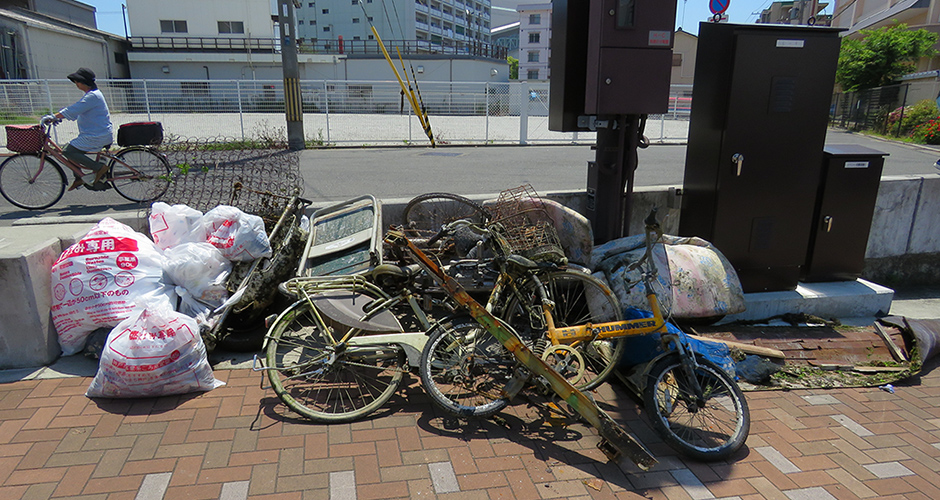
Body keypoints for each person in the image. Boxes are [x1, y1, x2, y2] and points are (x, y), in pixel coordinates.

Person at [44, 68, 113, 191]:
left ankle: (98, 168)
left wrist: (54, 116)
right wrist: (59, 117)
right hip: (95, 134)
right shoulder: (92, 95)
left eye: (77, 82)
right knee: (70, 150)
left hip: (97, 135)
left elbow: (74, 109)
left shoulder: (92, 96)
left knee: (68, 151)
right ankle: (79, 177)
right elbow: (77, 110)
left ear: (83, 82)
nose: (76, 84)